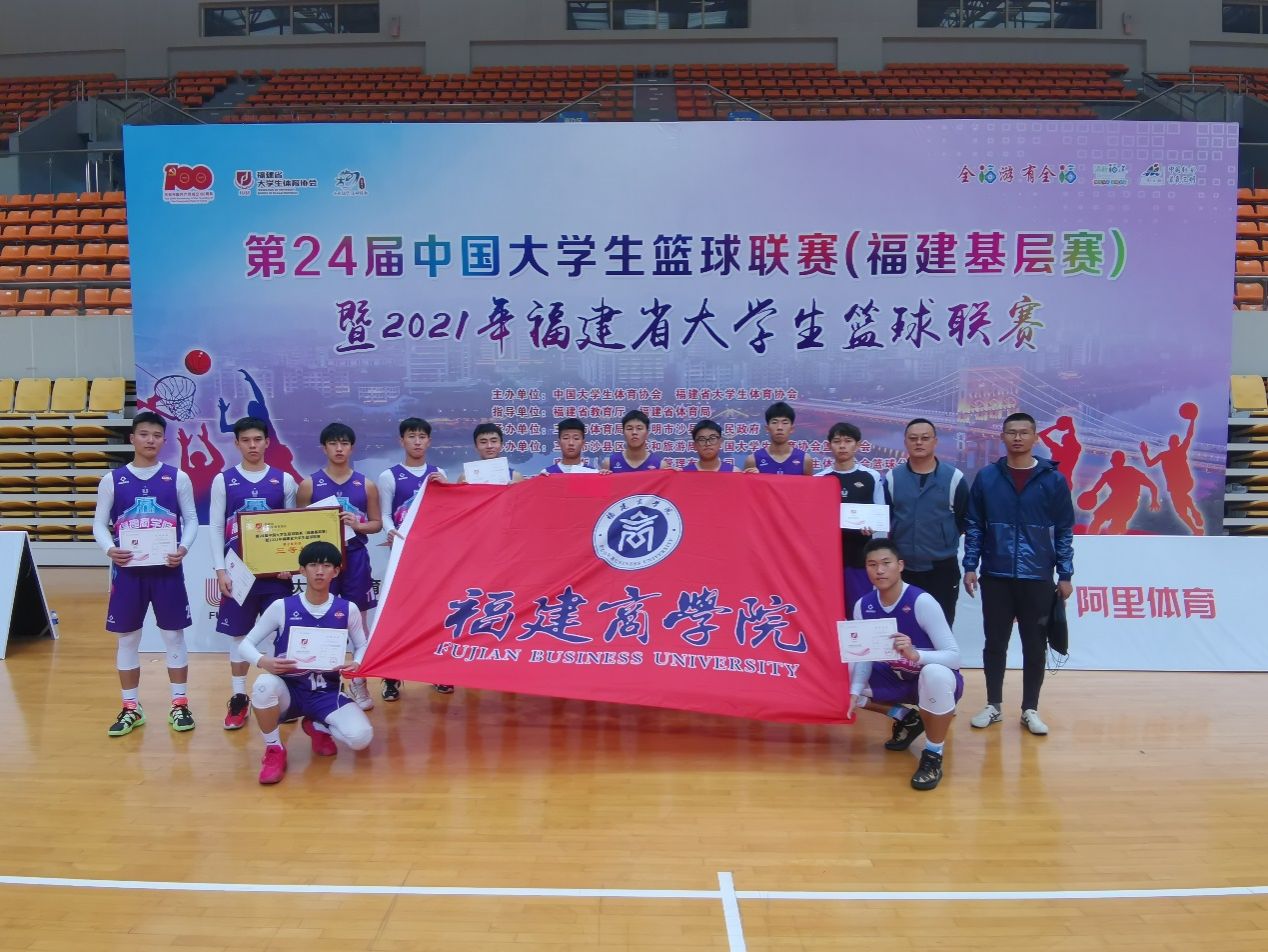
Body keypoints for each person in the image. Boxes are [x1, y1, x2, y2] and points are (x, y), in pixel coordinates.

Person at [963, 412, 1074, 736]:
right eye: (1011, 432)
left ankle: (1030, 709)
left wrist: (1065, 574)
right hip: (995, 573)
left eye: (1024, 432)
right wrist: (970, 566)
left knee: (1034, 645)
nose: (1017, 438)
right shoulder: (987, 477)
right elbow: (974, 525)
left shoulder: (1053, 480)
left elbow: (1064, 529)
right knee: (995, 642)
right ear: (1002, 437)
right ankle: (993, 705)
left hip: (1037, 574)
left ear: (1035, 437)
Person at [92, 411, 199, 737]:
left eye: (156, 435)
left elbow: (191, 520)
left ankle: (179, 703)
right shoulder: (112, 480)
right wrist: (109, 549)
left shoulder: (177, 478)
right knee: (127, 638)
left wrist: (183, 548)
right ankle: (130, 707)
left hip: (167, 571)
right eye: (144, 434)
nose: (150, 440)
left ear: (164, 440)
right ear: (132, 438)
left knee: (173, 636)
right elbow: (99, 524)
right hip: (128, 573)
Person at [238, 541, 373, 785]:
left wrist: (357, 663)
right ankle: (274, 749)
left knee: (361, 738)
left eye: (326, 565)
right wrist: (263, 661)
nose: (319, 571)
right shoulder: (282, 607)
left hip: (326, 692)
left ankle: (318, 725)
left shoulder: (347, 609)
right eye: (313, 565)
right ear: (302, 570)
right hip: (289, 691)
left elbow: (362, 645)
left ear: (336, 571)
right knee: (263, 686)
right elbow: (245, 644)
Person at [848, 538, 962, 791]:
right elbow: (864, 656)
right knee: (843, 674)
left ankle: (933, 755)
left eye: (886, 563)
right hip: (896, 677)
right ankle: (905, 716)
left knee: (934, 673)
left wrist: (915, 655)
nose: (879, 570)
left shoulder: (922, 601)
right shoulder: (863, 606)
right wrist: (854, 693)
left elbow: (954, 657)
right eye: (872, 565)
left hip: (929, 681)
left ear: (900, 565)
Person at [209, 416, 298, 729]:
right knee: (239, 635)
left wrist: (290, 565)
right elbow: (216, 527)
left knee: (279, 634)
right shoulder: (224, 480)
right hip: (239, 574)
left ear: (267, 442)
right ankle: (239, 697)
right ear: (236, 444)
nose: (252, 445)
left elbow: (291, 526)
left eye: (257, 439)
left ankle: (281, 696)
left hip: (275, 576)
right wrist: (220, 569)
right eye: (246, 440)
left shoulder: (283, 480)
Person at [296, 422, 383, 711]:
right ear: (324, 448)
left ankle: (359, 679)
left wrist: (357, 524)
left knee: (359, 620)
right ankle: (322, 683)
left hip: (355, 557)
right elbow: (299, 526)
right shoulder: (309, 485)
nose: (339, 448)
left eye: (344, 443)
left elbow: (376, 524)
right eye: (333, 443)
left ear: (352, 447)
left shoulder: (365, 484)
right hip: (322, 561)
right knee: (321, 618)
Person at [375, 417, 448, 701]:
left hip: (432, 558)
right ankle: (391, 678)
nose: (417, 442)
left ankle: (439, 672)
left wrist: (447, 487)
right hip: (401, 558)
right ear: (401, 440)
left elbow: (447, 512)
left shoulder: (438, 473)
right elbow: (384, 515)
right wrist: (390, 531)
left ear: (429, 441)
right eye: (411, 436)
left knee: (435, 614)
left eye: (422, 437)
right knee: (397, 616)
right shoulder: (389, 476)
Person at [883, 418, 969, 627]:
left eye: (925, 438)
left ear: (935, 441)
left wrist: (942, 537)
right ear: (905, 442)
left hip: (941, 569)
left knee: (941, 629)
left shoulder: (954, 478)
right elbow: (887, 518)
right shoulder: (893, 478)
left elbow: (963, 521)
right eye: (913, 438)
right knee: (903, 631)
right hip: (903, 568)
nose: (919, 442)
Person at [815, 422, 884, 617]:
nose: (842, 446)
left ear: (858, 445)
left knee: (859, 611)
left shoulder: (871, 476)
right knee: (828, 613)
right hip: (827, 560)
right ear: (829, 446)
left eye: (848, 441)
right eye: (837, 441)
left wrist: (873, 528)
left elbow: (879, 516)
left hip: (859, 558)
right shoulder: (819, 479)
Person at [1140, 404, 1205, 534]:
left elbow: (1149, 464)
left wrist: (1144, 452)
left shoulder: (1164, 455)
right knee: (1183, 497)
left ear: (1170, 443)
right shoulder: (1181, 450)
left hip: (1176, 484)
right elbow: (1189, 435)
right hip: (1187, 482)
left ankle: (1194, 523)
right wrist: (1192, 420)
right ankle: (1194, 513)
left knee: (1181, 512)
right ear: (1177, 442)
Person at [1082, 450, 1160, 534]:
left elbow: (1153, 487)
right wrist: (1090, 495)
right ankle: (1092, 538)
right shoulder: (1110, 473)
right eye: (1113, 459)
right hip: (1117, 501)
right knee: (1098, 520)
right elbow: (1094, 491)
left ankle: (1117, 532)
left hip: (1127, 503)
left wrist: (1154, 501)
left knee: (1113, 526)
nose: (1112, 461)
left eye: (1114, 459)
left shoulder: (1131, 472)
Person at [744, 401, 814, 475]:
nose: (779, 427)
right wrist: (754, 477)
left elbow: (808, 483)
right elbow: (746, 482)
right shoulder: (753, 460)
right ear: (767, 428)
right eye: (774, 422)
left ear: (792, 429)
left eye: (785, 423)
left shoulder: (805, 459)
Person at [176, 422, 224, 524]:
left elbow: (219, 459)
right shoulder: (192, 472)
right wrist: (205, 442)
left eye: (199, 457)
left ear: (205, 458)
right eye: (196, 458)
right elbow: (184, 464)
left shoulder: (211, 469)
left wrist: (185, 446)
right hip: (198, 506)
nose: (198, 459)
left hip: (214, 505)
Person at [459, 422, 524, 484]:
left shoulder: (515, 477)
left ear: (501, 445)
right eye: (483, 442)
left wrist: (514, 489)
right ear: (476, 447)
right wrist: (464, 489)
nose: (489, 446)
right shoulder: (465, 477)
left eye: (494, 441)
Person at [1038, 416, 1082, 489]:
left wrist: (1056, 426)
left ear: (1063, 441)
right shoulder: (1075, 450)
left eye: (1062, 439)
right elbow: (1072, 434)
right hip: (1065, 482)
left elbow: (1042, 434)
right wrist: (1070, 424)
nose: (1061, 441)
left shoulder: (1057, 449)